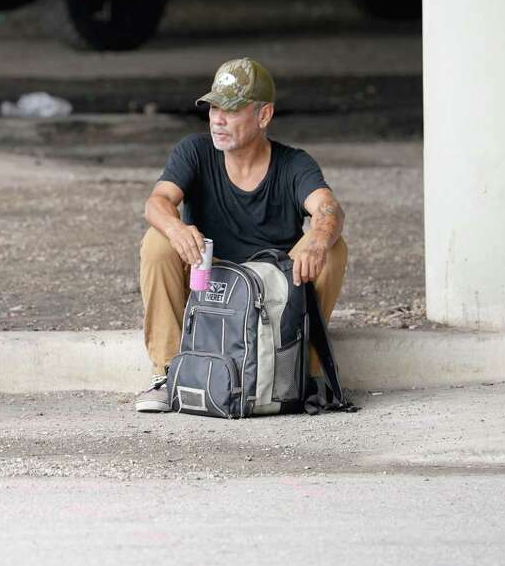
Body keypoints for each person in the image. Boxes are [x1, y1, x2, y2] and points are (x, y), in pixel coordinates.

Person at [135, 57, 347, 412]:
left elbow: (329, 208)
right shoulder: (195, 152)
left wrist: (318, 240)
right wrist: (176, 227)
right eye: (214, 108)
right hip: (209, 281)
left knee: (333, 247)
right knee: (157, 241)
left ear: (264, 116)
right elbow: (157, 202)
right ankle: (170, 373)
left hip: (272, 291)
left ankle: (302, 374)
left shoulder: (294, 164)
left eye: (231, 110)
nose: (218, 119)